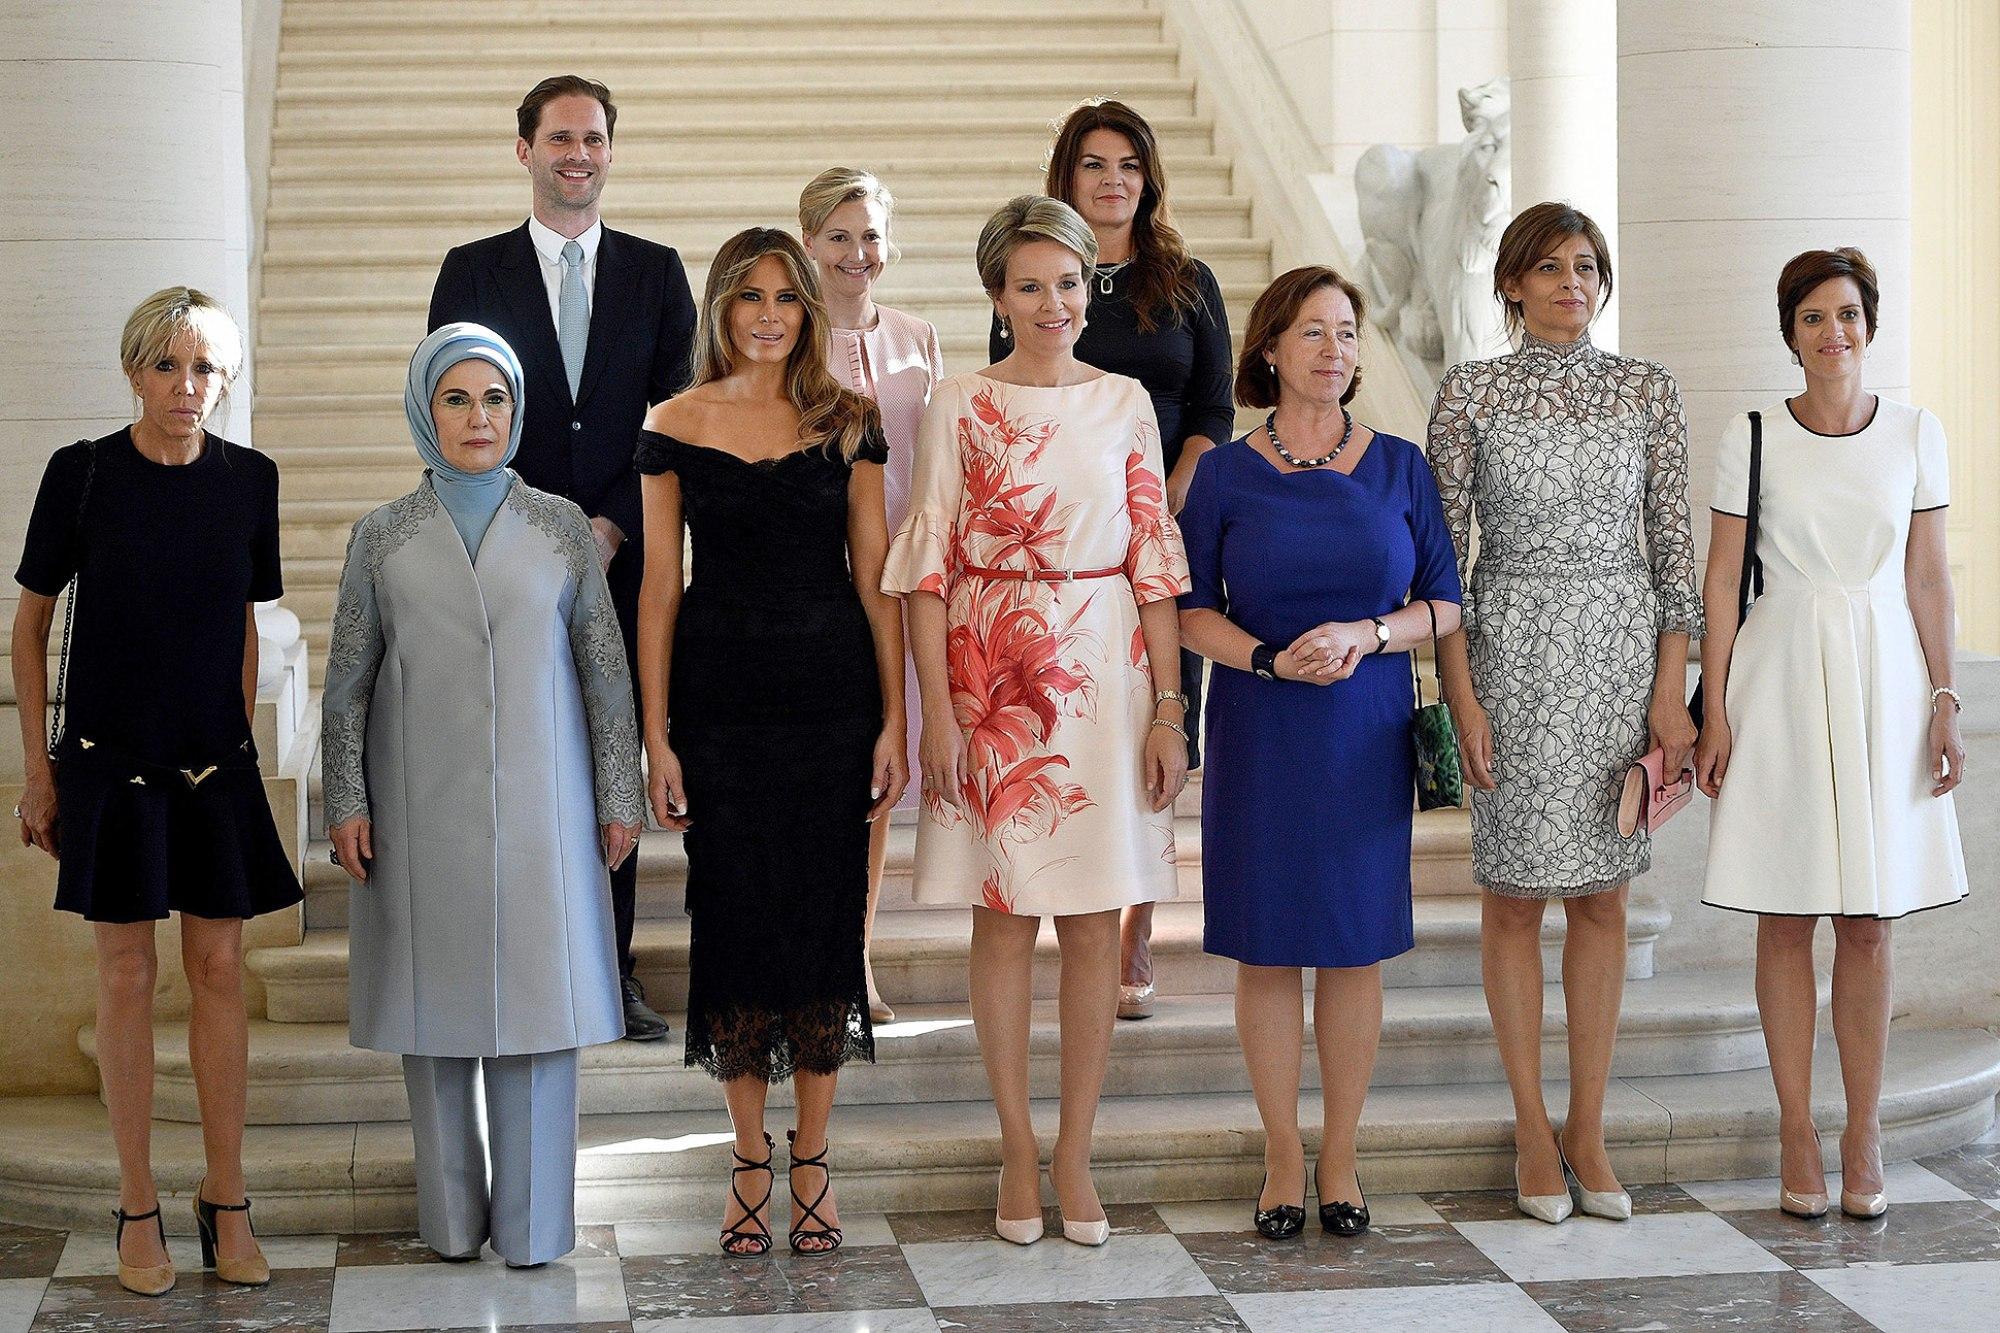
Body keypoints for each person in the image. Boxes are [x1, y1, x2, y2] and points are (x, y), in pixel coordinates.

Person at [889, 195, 1190, 1247]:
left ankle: (1074, 1150)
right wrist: (934, 711)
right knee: (1003, 912)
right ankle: (1017, 1146)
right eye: (1030, 284)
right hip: (988, 665)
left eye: (1067, 281)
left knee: (1097, 917)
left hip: (1103, 665)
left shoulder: (1126, 401)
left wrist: (1166, 707)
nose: (1053, 301)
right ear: (996, 295)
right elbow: (924, 566)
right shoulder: (958, 403)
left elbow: (1155, 565)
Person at [323, 323, 644, 1267]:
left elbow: (606, 674)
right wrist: (346, 795)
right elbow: (345, 681)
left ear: (517, 410)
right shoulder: (380, 537)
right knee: (434, 1020)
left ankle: (537, 1227)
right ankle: (451, 1221)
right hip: (420, 812)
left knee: (542, 1018)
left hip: (546, 811)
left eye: (495, 398)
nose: (479, 417)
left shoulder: (561, 529)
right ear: (427, 411)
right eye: (457, 398)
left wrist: (617, 792)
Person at [11, 287, 300, 1295]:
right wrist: (39, 771)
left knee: (219, 967)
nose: (189, 388)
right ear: (136, 369)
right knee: (127, 975)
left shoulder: (248, 478)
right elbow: (31, 626)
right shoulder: (81, 476)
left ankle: (227, 1198)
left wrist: (243, 726)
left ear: (227, 379)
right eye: (170, 366)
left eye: (207, 369)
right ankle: (138, 1205)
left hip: (213, 759)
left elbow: (250, 615)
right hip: (104, 758)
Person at [1426, 201, 1703, 1224]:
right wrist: (1457, 699)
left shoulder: (1645, 390)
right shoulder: (1470, 394)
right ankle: (1530, 1126)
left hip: (1621, 655)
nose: (1568, 283)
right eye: (1545, 267)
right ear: (1509, 283)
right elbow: (1439, 568)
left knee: (1601, 899)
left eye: (1584, 266)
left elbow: (1672, 554)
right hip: (1507, 653)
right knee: (1510, 899)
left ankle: (1587, 1125)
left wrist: (1669, 691)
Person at [635, 228, 906, 1256]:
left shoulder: (852, 422)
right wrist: (655, 736)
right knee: (737, 927)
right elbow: (659, 590)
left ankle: (814, 1160)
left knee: (824, 929)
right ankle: (749, 1159)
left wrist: (894, 720)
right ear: (720, 306)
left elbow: (877, 579)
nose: (765, 313)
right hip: (719, 708)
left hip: (832, 704)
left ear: (805, 309)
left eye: (783, 296)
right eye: (746, 295)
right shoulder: (671, 422)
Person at [1179, 266, 1461, 1239]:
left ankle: (1338, 1153)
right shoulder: (1220, 472)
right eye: (1312, 332)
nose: (1333, 350)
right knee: (1265, 950)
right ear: (1267, 348)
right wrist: (1262, 657)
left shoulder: (1399, 465)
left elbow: (1444, 603)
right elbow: (1184, 612)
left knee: (1350, 949)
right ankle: (1279, 1154)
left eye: (1346, 333)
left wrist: (1366, 634)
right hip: (1259, 728)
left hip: (1361, 727)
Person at [1695, 247, 1968, 1221]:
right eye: (1811, 316)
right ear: (1789, 330)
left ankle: (1861, 1126)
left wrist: (1941, 697)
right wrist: (1713, 705)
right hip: (1776, 672)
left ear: (1869, 323)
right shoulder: (1752, 431)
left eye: (1846, 313)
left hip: (1885, 676)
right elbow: (1721, 579)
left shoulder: (1912, 432)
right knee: (1784, 910)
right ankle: (1794, 1127)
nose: (1831, 331)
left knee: (1865, 918)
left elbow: (1927, 576)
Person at [428, 74, 696, 1042]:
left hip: (624, 567)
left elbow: (673, 417)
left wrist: (616, 523)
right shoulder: (471, 270)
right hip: (501, 559)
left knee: (608, 765)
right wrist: (530, 525)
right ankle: (513, 962)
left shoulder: (658, 272)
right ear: (524, 150)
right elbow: (453, 409)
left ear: (610, 152)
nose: (575, 154)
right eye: (557, 138)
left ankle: (608, 967)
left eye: (591, 138)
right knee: (505, 760)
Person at [989, 100, 1234, 1021]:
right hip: (1061, 545)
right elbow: (1010, 406)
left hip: (1164, 525)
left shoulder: (1188, 280)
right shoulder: (1035, 276)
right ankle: (1064, 888)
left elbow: (1214, 405)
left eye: (1128, 164)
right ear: (1067, 176)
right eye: (1094, 164)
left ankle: (1134, 919)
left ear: (1148, 177)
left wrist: (1163, 490)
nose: (1112, 180)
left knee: (1156, 721)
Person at [800, 166, 947, 1026]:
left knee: (879, 780)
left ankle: (854, 957)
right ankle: (813, 954)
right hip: (816, 581)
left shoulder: (921, 336)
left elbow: (937, 463)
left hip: (898, 585)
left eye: (871, 236)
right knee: (821, 775)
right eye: (841, 236)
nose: (859, 253)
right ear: (810, 240)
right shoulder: (786, 336)